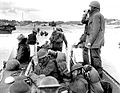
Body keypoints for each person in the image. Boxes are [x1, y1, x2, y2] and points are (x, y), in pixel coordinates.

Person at [84, 1, 105, 78]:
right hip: (95, 41)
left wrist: (90, 42)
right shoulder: (93, 16)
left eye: (90, 7)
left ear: (94, 7)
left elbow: (95, 30)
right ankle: (96, 75)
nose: (89, 8)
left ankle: (99, 76)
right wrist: (85, 14)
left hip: (95, 41)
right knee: (94, 58)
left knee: (96, 59)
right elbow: (83, 21)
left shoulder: (96, 16)